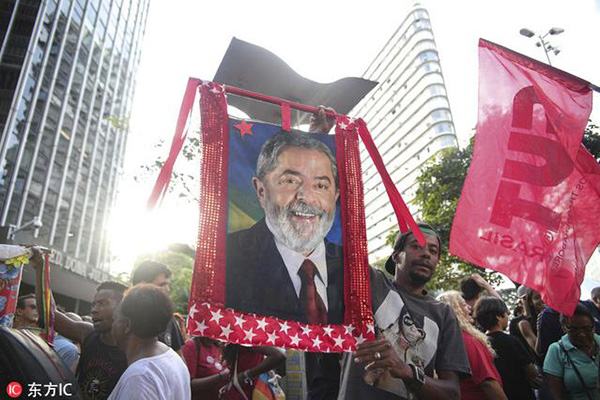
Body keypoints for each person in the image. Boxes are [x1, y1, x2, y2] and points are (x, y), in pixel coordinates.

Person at [338, 223, 471, 400]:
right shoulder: (371, 283)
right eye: (416, 246)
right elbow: (338, 244)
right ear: (396, 256)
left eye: (433, 251)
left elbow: (452, 394)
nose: (426, 254)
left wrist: (406, 371)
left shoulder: (444, 314)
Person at [225, 130, 343, 324]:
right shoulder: (226, 257)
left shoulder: (354, 269)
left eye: (321, 186)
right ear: (261, 191)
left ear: (335, 196)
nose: (307, 197)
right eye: (290, 181)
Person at [30, 248, 128, 400]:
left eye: (102, 303)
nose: (95, 310)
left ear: (123, 307)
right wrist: (40, 269)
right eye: (94, 304)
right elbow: (49, 314)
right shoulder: (88, 334)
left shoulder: (135, 352)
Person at [108, 284, 190, 399]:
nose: (112, 325)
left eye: (115, 319)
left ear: (126, 325)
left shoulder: (140, 378)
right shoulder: (171, 356)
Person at [437, 291, 506, 400]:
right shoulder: (467, 340)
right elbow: (487, 383)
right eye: (464, 305)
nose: (469, 308)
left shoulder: (446, 341)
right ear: (456, 310)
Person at [475, 296, 540, 400]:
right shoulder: (512, 341)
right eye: (505, 313)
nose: (508, 315)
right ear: (498, 317)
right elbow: (532, 372)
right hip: (521, 394)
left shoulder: (480, 343)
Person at [543, 303, 600, 400]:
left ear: (593, 326)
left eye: (586, 329)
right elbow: (557, 394)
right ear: (563, 327)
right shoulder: (557, 351)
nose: (581, 334)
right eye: (574, 329)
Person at [131, 260, 185, 354]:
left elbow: (179, 356)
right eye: (162, 284)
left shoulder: (168, 318)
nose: (168, 290)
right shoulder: (124, 319)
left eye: (168, 285)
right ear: (143, 286)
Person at [219, 344, 286, 399]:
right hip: (238, 391)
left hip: (247, 392)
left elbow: (278, 356)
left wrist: (247, 374)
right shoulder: (234, 342)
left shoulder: (247, 341)